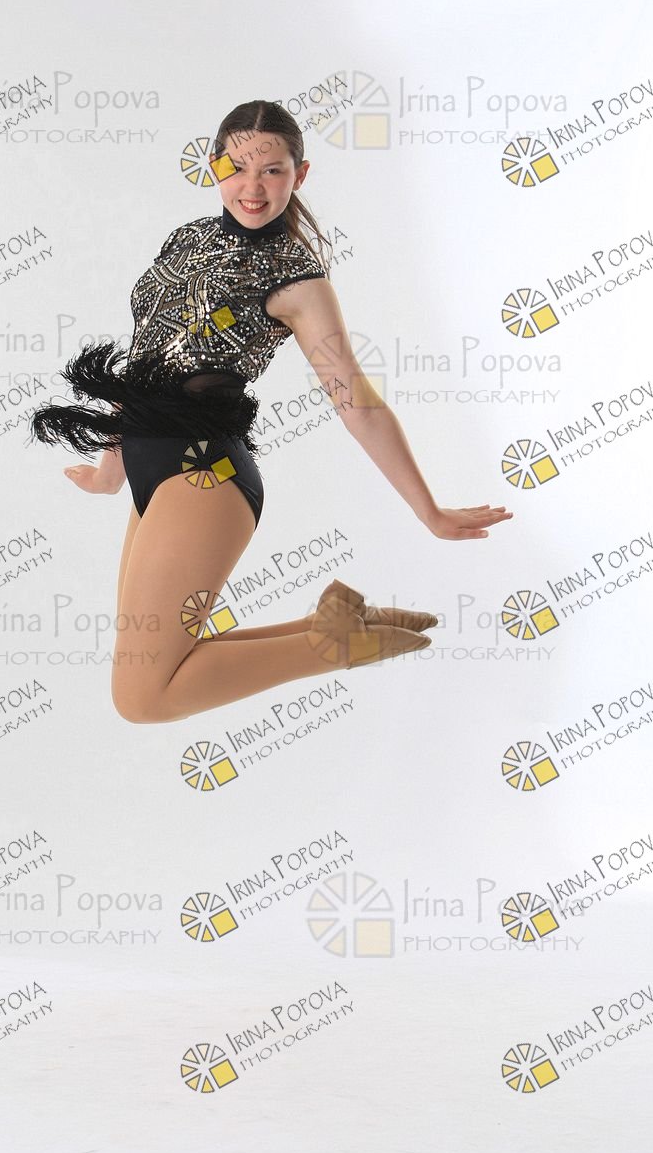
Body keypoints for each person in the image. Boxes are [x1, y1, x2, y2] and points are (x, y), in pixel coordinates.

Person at [30, 99, 511, 724]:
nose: (252, 188)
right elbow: (146, 358)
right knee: (159, 663)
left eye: (273, 171)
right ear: (214, 167)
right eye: (237, 168)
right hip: (154, 472)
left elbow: (357, 403)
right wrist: (110, 470)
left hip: (203, 477)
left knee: (142, 698)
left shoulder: (298, 281)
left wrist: (430, 511)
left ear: (299, 175)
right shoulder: (187, 238)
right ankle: (331, 628)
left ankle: (332, 646)